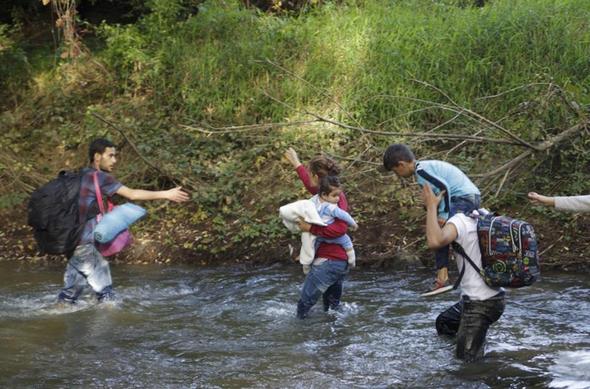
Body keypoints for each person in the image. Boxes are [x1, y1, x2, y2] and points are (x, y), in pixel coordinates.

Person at [57, 138, 189, 304]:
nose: (115, 160)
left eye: (115, 156)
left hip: (73, 243)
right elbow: (132, 194)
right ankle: (109, 326)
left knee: (69, 296)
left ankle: (51, 319)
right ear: (97, 157)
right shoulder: (101, 178)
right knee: (106, 297)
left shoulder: (79, 176)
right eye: (110, 156)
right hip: (87, 244)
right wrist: (166, 194)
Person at [422, 184, 505, 362]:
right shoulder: (483, 215)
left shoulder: (459, 221)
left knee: (466, 365)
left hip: (480, 304)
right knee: (445, 322)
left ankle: (474, 352)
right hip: (495, 298)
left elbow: (435, 241)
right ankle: (475, 343)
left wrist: (431, 207)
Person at [383, 143, 481, 291]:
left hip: (463, 197)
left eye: (396, 171)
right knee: (447, 236)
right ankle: (448, 276)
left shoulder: (422, 171)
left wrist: (443, 214)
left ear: (401, 164)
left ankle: (443, 278)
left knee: (439, 236)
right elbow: (437, 196)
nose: (397, 175)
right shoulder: (422, 170)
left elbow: (445, 188)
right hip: (467, 196)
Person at [284, 148, 352, 318]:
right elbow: (309, 184)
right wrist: (296, 163)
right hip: (336, 262)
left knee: (303, 309)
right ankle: (333, 342)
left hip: (329, 262)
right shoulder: (326, 195)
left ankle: (301, 336)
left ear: (317, 177)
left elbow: (341, 228)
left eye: (310, 173)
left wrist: (310, 229)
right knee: (331, 312)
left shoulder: (337, 198)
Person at [280, 175, 358, 273]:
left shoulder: (314, 201)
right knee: (347, 242)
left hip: (319, 235)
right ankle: (352, 261)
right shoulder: (331, 207)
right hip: (331, 234)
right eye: (335, 196)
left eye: (338, 195)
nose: (338, 198)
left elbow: (304, 207)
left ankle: (306, 265)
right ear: (324, 195)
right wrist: (353, 224)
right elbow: (344, 216)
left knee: (311, 247)